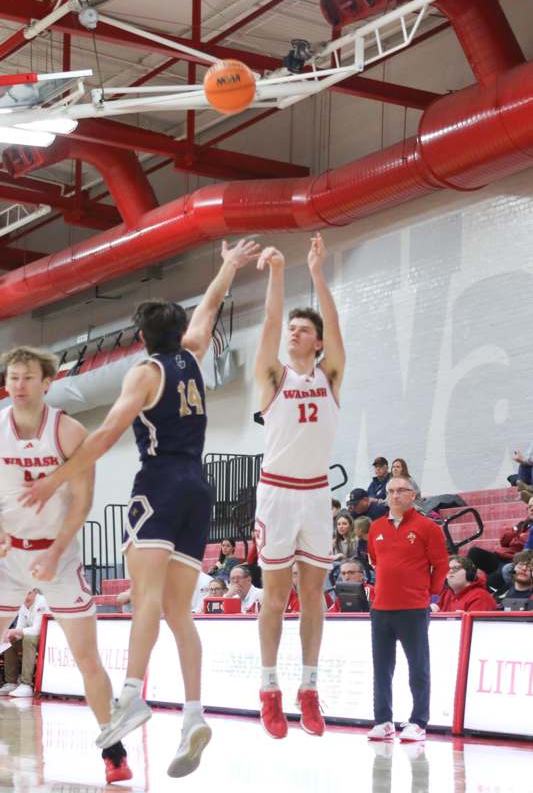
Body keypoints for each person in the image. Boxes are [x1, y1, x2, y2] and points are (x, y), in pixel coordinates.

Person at [20, 238, 261, 778]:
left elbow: (106, 432)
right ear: (177, 333)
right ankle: (194, 713)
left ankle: (130, 694)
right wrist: (225, 268)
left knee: (146, 597)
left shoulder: (145, 373)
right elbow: (207, 310)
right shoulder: (194, 354)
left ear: (142, 338)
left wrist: (56, 474)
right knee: (179, 610)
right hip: (200, 490)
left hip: (159, 486)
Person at [0, 345, 132, 784]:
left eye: (26, 378)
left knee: (86, 657)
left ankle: (112, 746)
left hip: (57, 552)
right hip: (7, 554)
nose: (18, 385)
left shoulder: (68, 431)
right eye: (13, 377)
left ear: (46, 383)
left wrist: (57, 549)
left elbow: (82, 500)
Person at [254, 233, 345, 740]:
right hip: (277, 493)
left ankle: (308, 688)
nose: (292, 331)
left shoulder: (331, 374)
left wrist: (316, 274)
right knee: (274, 597)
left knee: (314, 596)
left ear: (316, 341)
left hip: (314, 494)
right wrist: (277, 273)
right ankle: (269, 691)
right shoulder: (273, 376)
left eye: (302, 328)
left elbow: (335, 326)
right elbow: (268, 324)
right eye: (291, 327)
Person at [367, 476, 448, 743]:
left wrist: (429, 594)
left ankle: (419, 721)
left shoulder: (428, 528)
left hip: (413, 608)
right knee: (381, 667)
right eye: (390, 491)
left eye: (401, 490)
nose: (394, 495)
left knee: (418, 666)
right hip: (381, 608)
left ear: (413, 494)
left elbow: (441, 564)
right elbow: (376, 562)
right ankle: (383, 720)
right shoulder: (376, 527)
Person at [467, 498, 532, 590]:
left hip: (517, 561)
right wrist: (517, 533)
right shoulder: (523, 524)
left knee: (493, 578)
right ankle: (466, 582)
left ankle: (494, 597)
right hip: (502, 556)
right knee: (475, 553)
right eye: (529, 507)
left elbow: (521, 543)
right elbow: (504, 541)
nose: (531, 509)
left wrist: (516, 536)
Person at [0, 588, 47, 697]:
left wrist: (14, 631)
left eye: (29, 593)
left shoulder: (42, 601)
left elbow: (37, 630)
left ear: (35, 592)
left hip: (46, 639)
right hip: (31, 637)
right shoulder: (22, 605)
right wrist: (10, 635)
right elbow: (20, 628)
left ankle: (26, 684)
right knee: (10, 641)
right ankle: (11, 682)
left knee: (28, 639)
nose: (25, 596)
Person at [431, 556, 497, 613]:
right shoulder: (445, 594)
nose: (450, 572)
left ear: (469, 573)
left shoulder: (481, 597)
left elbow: (476, 626)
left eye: (455, 568)